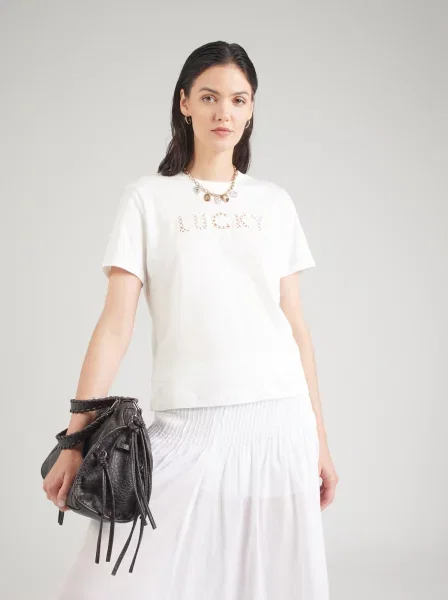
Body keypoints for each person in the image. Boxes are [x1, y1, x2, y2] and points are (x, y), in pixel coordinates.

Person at [42, 40, 338, 599]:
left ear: (251, 109)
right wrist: (74, 439)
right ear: (184, 103)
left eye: (238, 99)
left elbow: (296, 327)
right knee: (106, 583)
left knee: (266, 585)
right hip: (188, 423)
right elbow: (115, 326)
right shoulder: (148, 199)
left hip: (280, 422)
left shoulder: (275, 203)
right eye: (209, 97)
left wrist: (319, 440)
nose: (224, 112)